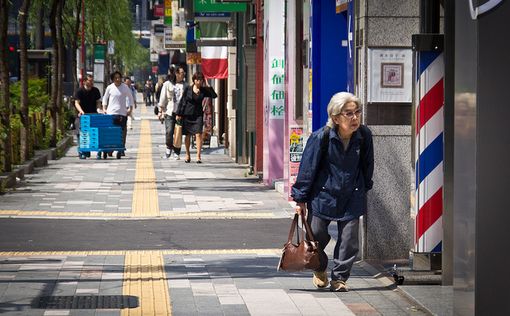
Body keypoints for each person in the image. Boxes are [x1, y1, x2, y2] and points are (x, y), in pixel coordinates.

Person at [291, 92, 374, 292]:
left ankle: (340, 279)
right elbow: (308, 169)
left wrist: (364, 186)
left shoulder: (364, 136)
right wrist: (300, 199)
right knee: (316, 235)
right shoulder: (322, 137)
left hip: (352, 194)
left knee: (349, 239)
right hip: (323, 195)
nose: (355, 118)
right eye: (349, 113)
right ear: (336, 117)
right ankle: (320, 268)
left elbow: (367, 164)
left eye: (357, 112)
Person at [176, 72, 217, 163]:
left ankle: (198, 156)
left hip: (198, 115)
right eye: (197, 80)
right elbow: (183, 102)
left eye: (200, 80)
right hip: (187, 115)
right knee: (187, 135)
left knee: (198, 134)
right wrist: (179, 114)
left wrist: (208, 85)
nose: (199, 81)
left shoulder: (203, 90)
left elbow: (214, 95)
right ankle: (187, 154)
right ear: (194, 80)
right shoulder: (188, 89)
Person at [102, 71, 135, 157]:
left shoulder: (125, 87)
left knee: (122, 132)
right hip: (111, 113)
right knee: (111, 132)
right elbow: (105, 98)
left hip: (122, 113)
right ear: (112, 79)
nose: (118, 79)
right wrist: (104, 109)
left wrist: (130, 109)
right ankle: (110, 149)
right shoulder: (110, 88)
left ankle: (121, 148)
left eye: (119, 77)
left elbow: (130, 98)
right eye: (115, 78)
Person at [158, 66, 188, 160]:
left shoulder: (185, 85)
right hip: (170, 112)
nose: (183, 74)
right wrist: (160, 111)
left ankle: (177, 152)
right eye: (182, 73)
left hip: (180, 113)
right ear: (177, 74)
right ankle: (168, 148)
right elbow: (163, 98)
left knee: (178, 133)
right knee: (169, 131)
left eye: (184, 73)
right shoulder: (168, 84)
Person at [74, 74, 102, 158]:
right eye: (90, 80)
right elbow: (76, 103)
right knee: (81, 132)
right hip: (82, 115)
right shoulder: (79, 91)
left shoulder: (96, 90)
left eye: (92, 80)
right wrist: (81, 111)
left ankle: (91, 150)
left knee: (94, 132)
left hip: (93, 115)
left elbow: (98, 102)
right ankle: (81, 150)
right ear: (84, 81)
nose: (91, 82)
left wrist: (98, 110)